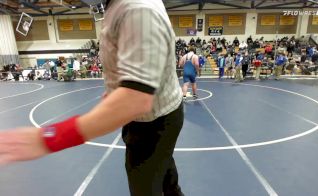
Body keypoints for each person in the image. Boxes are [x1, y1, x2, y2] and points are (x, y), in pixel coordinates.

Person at [0, 1, 184, 196]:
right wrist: (118, 88)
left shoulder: (137, 10)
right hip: (155, 116)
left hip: (154, 123)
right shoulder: (121, 6)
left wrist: (50, 139)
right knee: (167, 183)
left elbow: (135, 99)